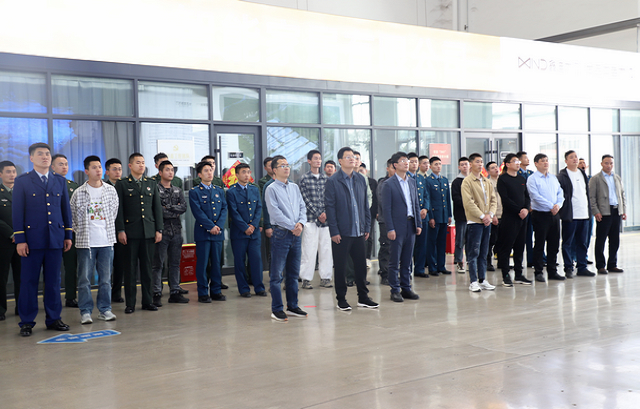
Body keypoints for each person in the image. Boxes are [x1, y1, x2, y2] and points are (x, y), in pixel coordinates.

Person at [13, 143, 73, 337]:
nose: (45, 157)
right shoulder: (22, 181)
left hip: (55, 239)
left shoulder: (59, 181)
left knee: (54, 282)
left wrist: (68, 235)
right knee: (29, 282)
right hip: (31, 241)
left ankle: (54, 319)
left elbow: (65, 210)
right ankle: (27, 322)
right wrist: (20, 239)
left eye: (47, 154)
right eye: (40, 154)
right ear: (31, 158)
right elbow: (17, 213)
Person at [325, 147, 379, 311]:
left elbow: (365, 205)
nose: (352, 159)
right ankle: (341, 299)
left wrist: (367, 226)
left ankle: (363, 297)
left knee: (361, 266)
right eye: (348, 157)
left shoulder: (361, 179)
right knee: (340, 267)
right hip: (342, 232)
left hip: (359, 231)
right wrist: (334, 231)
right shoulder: (333, 181)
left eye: (354, 157)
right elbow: (330, 208)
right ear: (340, 161)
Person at [70, 156, 119, 324]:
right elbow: (72, 217)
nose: (98, 170)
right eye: (94, 167)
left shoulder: (110, 190)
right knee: (84, 279)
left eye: (99, 167)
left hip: (106, 241)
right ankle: (85, 311)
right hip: (86, 243)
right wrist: (80, 231)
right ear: (86, 171)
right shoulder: (79, 192)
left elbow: (114, 213)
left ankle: (105, 309)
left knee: (105, 279)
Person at [115, 153, 164, 313]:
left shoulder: (151, 183)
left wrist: (159, 229)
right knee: (130, 270)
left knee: (147, 269)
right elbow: (119, 210)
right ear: (130, 166)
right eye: (138, 162)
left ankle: (148, 301)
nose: (141, 165)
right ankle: (130, 303)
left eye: (143, 162)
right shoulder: (122, 184)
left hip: (148, 232)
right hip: (130, 233)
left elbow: (157, 208)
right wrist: (121, 230)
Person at [264, 155, 308, 321]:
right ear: (274, 170)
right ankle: (277, 309)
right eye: (282, 165)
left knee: (293, 274)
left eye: (287, 165)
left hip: (296, 235)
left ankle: (293, 306)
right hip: (281, 234)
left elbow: (302, 207)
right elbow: (275, 212)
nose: (286, 167)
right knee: (276, 275)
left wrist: (301, 224)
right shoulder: (271, 189)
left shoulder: (294, 187)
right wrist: (292, 226)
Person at [382, 152, 422, 302]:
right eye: (403, 161)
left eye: (407, 160)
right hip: (397, 226)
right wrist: (390, 228)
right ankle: (395, 290)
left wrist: (418, 223)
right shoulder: (388, 184)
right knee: (394, 260)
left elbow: (415, 204)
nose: (406, 163)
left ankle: (406, 288)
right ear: (395, 165)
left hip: (411, 225)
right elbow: (386, 209)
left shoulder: (411, 182)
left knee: (407, 259)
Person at [151, 160, 189, 306]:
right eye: (167, 170)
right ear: (160, 172)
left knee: (175, 263)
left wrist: (169, 207)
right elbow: (158, 211)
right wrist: (173, 209)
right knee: (158, 264)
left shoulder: (178, 190)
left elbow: (183, 207)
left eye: (172, 170)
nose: (170, 172)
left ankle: (175, 291)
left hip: (177, 231)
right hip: (161, 231)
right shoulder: (155, 189)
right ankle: (156, 293)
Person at [189, 160, 228, 303]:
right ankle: (203, 293)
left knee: (217, 263)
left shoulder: (219, 190)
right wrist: (210, 226)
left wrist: (218, 226)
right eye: (206, 171)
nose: (209, 173)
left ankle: (216, 291)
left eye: (211, 170)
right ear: (199, 174)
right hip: (203, 233)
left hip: (217, 233)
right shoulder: (195, 192)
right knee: (203, 264)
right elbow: (198, 212)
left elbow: (224, 208)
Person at [226, 163, 266, 297]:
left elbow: (259, 208)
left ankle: (259, 287)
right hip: (239, 233)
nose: (247, 175)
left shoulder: (254, 189)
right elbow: (233, 212)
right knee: (240, 262)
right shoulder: (231, 191)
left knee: (256, 260)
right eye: (243, 172)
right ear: (237, 175)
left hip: (254, 233)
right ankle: (244, 289)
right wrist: (245, 227)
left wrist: (253, 225)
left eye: (248, 172)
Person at [461, 153, 497, 293]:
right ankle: (473, 281)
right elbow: (468, 202)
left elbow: (493, 200)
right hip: (474, 222)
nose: (480, 164)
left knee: (484, 252)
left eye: (481, 162)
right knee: (473, 252)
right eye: (477, 162)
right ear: (470, 164)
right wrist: (482, 216)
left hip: (486, 222)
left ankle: (482, 280)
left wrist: (490, 215)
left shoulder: (486, 181)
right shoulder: (467, 181)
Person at [527, 153, 565, 283]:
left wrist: (558, 205)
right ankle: (538, 272)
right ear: (536, 164)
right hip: (540, 214)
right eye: (542, 161)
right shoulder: (532, 179)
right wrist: (551, 206)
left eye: (547, 160)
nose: (545, 163)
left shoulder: (553, 178)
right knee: (539, 244)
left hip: (554, 214)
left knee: (554, 244)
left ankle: (552, 271)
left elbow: (560, 193)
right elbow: (535, 196)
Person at [557, 150, 595, 278]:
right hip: (570, 215)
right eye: (571, 157)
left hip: (584, 214)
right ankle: (568, 267)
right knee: (567, 242)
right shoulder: (562, 176)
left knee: (582, 242)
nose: (575, 159)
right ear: (566, 161)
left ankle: (582, 267)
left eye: (576, 157)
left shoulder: (582, 173)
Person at [496, 154, 532, 287]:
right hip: (510, 217)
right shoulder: (503, 179)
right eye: (515, 161)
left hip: (523, 217)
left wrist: (526, 209)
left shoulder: (521, 179)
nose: (518, 163)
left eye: (518, 161)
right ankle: (505, 275)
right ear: (507, 164)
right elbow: (505, 199)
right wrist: (519, 210)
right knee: (506, 247)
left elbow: (527, 196)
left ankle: (518, 274)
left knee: (520, 246)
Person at [299, 150, 333, 289]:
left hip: (326, 222)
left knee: (326, 250)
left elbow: (330, 198)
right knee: (308, 250)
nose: (318, 161)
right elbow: (304, 199)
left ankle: (325, 278)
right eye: (315, 158)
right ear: (309, 161)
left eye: (319, 158)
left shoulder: (326, 179)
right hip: (311, 220)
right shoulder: (304, 178)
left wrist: (325, 213)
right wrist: (319, 213)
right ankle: (306, 279)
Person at [589, 154, 626, 275]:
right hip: (604, 212)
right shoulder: (595, 179)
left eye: (611, 163)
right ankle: (600, 266)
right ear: (601, 164)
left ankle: (612, 265)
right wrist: (596, 211)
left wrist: (623, 210)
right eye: (606, 163)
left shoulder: (617, 178)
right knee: (601, 240)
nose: (609, 165)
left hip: (616, 211)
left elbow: (622, 194)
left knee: (615, 240)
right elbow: (592, 197)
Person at [51, 153, 80, 308]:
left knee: (71, 267)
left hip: (70, 232)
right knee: (52, 268)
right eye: (60, 164)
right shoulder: (48, 184)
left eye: (66, 164)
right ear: (52, 167)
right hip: (53, 232)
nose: (64, 167)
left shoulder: (73, 186)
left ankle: (70, 297)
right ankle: (51, 298)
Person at [104, 158, 127, 303]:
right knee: (106, 265)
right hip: (106, 231)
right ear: (107, 172)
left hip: (122, 231)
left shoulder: (125, 186)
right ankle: (105, 293)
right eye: (114, 169)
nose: (118, 172)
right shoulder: (103, 187)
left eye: (119, 169)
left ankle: (116, 292)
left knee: (119, 264)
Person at [0, 161, 20, 320]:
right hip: (3, 242)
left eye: (14, 171)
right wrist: (11, 234)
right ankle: (1, 310)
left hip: (22, 242)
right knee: (2, 277)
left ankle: (22, 307)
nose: (12, 175)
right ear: (0, 174)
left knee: (22, 277)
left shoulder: (21, 192)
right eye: (8, 172)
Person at [426, 156, 452, 276]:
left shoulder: (444, 180)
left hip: (443, 216)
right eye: (435, 164)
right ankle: (432, 267)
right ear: (430, 167)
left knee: (442, 242)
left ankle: (441, 266)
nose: (438, 166)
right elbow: (428, 200)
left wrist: (449, 215)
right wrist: (431, 217)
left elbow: (447, 199)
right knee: (432, 242)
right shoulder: (428, 180)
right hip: (434, 216)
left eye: (440, 164)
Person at [408, 153, 430, 279]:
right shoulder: (405, 178)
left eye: (416, 162)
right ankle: (408, 270)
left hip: (422, 216)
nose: (414, 164)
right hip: (411, 216)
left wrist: (425, 209)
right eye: (411, 161)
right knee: (410, 245)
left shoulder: (421, 178)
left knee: (422, 244)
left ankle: (419, 269)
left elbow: (426, 195)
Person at [376, 159, 395, 285]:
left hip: (399, 221)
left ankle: (394, 274)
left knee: (396, 249)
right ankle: (385, 274)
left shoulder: (400, 182)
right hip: (386, 220)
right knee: (386, 247)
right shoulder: (383, 183)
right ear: (388, 169)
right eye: (393, 168)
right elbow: (383, 202)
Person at [516, 151, 536, 267]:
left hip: (533, 208)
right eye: (525, 158)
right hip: (523, 208)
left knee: (530, 235)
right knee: (521, 235)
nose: (527, 160)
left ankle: (531, 259)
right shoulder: (517, 174)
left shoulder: (531, 173)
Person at [451, 156, 470, 274]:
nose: (464, 166)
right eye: (462, 165)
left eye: (466, 164)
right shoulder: (456, 182)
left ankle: (470, 261)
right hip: (461, 215)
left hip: (473, 216)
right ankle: (459, 261)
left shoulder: (472, 180)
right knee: (460, 240)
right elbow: (456, 199)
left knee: (470, 240)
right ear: (459, 167)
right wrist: (469, 203)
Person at [576, 158, 594, 265]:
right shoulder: (575, 177)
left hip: (589, 210)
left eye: (584, 163)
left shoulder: (590, 178)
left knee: (587, 235)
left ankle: (584, 256)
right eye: (580, 163)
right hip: (578, 211)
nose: (582, 164)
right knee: (577, 236)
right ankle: (575, 257)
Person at [485, 161, 501, 272]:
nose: (496, 169)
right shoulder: (488, 183)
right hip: (494, 216)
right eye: (492, 168)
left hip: (504, 215)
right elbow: (489, 201)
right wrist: (493, 215)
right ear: (488, 171)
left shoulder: (503, 181)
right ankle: (488, 263)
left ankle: (501, 262)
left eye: (496, 167)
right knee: (491, 241)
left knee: (502, 241)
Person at [258, 156, 274, 270]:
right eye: (269, 165)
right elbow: (264, 203)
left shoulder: (288, 182)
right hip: (270, 218)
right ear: (265, 168)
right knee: (271, 250)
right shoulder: (264, 182)